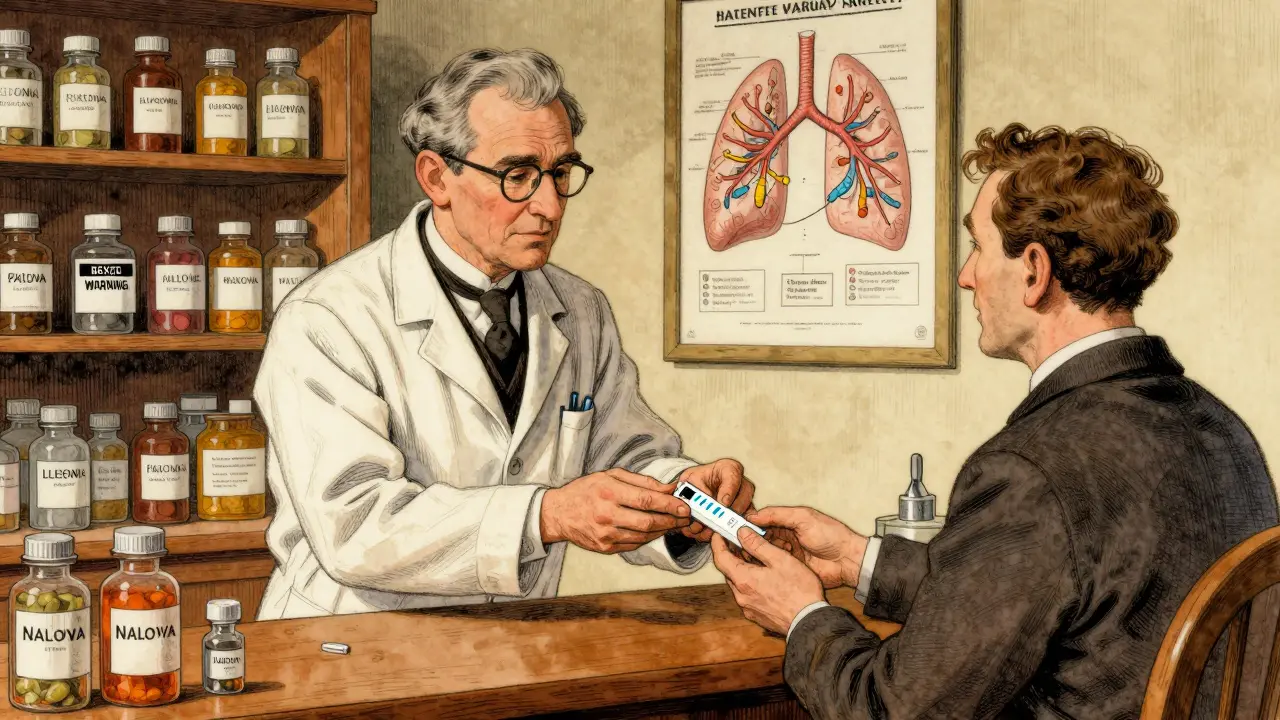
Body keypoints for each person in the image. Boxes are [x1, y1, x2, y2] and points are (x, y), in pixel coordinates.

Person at [712, 123, 1279, 718]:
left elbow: (894, 712)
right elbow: (1064, 596)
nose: (965, 276)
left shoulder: (1030, 469)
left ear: (1034, 271)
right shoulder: (1221, 430)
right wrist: (861, 560)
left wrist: (802, 616)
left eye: (979, 247)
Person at [252, 47, 754, 620]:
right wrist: (548, 515)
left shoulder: (579, 308)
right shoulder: (328, 316)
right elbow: (354, 527)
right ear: (437, 176)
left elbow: (623, 454)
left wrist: (684, 494)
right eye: (518, 175)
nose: (548, 205)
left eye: (561, 174)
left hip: (511, 639)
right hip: (349, 645)